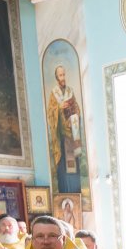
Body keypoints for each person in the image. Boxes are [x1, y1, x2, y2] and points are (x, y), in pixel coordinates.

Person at [47, 65, 83, 194]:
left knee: (74, 167)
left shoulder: (70, 91)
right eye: (60, 75)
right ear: (57, 77)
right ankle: (64, 192)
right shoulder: (54, 93)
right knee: (64, 167)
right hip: (61, 136)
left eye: (64, 74)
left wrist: (74, 112)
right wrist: (59, 107)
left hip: (72, 135)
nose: (63, 77)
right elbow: (50, 113)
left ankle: (76, 192)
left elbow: (77, 109)